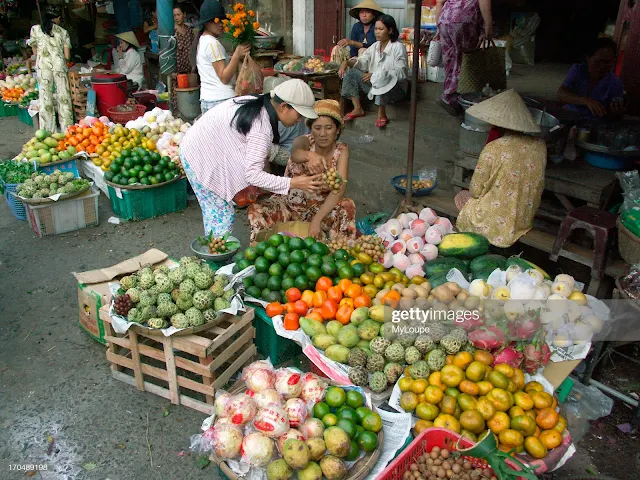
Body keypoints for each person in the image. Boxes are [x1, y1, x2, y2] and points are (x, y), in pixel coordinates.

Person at [179, 79, 324, 236]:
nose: (300, 120)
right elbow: (253, 175)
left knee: (217, 212)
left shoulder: (261, 102)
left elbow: (263, 150)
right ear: (283, 107)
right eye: (299, 114)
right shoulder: (262, 127)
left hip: (202, 146)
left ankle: (216, 251)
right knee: (221, 216)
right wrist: (294, 183)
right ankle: (217, 257)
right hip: (198, 155)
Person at [248, 100, 356, 242]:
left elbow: (339, 189)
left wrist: (317, 220)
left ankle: (338, 253)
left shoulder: (341, 150)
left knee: (347, 206)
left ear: (337, 130)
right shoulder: (303, 141)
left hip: (322, 210)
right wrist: (309, 155)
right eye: (317, 128)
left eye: (329, 128)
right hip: (289, 206)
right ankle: (264, 252)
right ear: (311, 129)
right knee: (256, 209)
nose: (323, 134)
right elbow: (295, 153)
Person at [455, 89, 546, 248]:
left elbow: (476, 190)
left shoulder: (494, 148)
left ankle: (479, 245)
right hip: (524, 217)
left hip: (497, 220)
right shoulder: (540, 146)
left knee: (462, 197)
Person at [339, 14, 408, 128]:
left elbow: (401, 73)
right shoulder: (375, 46)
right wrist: (346, 63)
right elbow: (362, 61)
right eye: (376, 29)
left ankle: (381, 113)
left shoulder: (398, 47)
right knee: (351, 72)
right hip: (374, 85)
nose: (377, 32)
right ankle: (357, 108)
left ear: (390, 30)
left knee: (381, 79)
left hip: (396, 89)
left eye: (381, 29)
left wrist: (378, 75)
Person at [435, 0, 493, 115]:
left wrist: (438, 26)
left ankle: (448, 95)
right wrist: (488, 25)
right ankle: (459, 97)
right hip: (463, 18)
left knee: (450, 60)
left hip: (445, 19)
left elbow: (439, 2)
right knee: (464, 59)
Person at [193, 0, 251, 114]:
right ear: (206, 23)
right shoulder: (212, 43)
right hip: (220, 101)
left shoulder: (203, 40)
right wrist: (236, 55)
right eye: (215, 21)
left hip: (209, 99)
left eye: (221, 20)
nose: (220, 24)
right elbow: (224, 77)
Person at [28, 5, 74, 133]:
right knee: (63, 98)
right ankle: (67, 130)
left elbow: (35, 52)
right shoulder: (63, 32)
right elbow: (67, 56)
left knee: (45, 97)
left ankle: (48, 131)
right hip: (59, 66)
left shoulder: (35, 29)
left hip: (43, 66)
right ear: (58, 18)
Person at [557, 37, 625, 119]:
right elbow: (561, 94)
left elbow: (615, 115)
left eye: (608, 62)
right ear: (588, 58)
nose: (602, 66)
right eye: (598, 62)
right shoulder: (578, 70)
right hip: (570, 115)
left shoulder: (615, 83)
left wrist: (616, 112)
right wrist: (586, 101)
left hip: (595, 122)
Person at [171, 5, 196, 110]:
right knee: (177, 99)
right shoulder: (171, 32)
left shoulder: (189, 30)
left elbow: (194, 48)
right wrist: (172, 70)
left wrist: (194, 66)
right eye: (174, 15)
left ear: (184, 15)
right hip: (177, 71)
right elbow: (168, 51)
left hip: (189, 70)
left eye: (179, 14)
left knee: (190, 97)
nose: (176, 17)